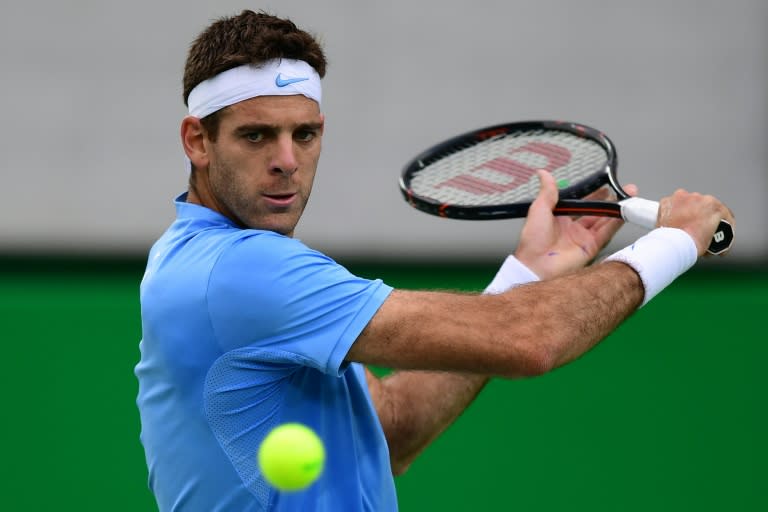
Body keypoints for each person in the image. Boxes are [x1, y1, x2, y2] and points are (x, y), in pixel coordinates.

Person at [134, 10, 735, 512]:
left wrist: (526, 275)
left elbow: (390, 430)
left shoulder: (213, 265)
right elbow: (530, 340)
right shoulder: (237, 274)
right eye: (258, 136)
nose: (288, 160)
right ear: (198, 141)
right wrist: (674, 242)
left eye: (306, 134)